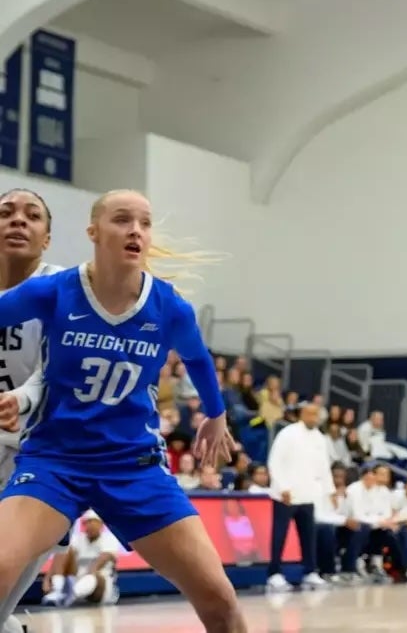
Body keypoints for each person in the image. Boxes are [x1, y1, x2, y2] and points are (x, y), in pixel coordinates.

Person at [0, 189, 243, 633]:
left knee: (220, 600)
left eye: (144, 223)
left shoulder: (169, 306)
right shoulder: (56, 291)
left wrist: (216, 412)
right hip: (55, 462)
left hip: (133, 466)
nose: (135, 230)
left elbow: (198, 359)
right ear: (93, 232)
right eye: (122, 220)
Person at [0, 189, 65, 633]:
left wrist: (19, 399)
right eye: (6, 213)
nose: (18, 220)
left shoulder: (63, 290)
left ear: (46, 238)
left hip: (36, 458)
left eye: (31, 215)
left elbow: (53, 376)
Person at [264, 401, 334, 591]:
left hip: (308, 494)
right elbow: (274, 461)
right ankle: (275, 573)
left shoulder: (320, 438)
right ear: (301, 414)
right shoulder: (288, 434)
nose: (313, 418)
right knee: (280, 535)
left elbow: (323, 467)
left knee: (308, 535)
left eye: (316, 415)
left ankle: (310, 571)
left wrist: (330, 490)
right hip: (286, 495)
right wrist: (282, 487)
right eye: (310, 414)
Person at [39, 512, 122, 608]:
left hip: (100, 587)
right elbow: (61, 557)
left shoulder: (109, 539)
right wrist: (47, 578)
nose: (89, 525)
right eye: (86, 522)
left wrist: (91, 572)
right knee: (64, 549)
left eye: (92, 522)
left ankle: (69, 594)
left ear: (100, 524)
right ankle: (58, 588)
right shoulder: (78, 539)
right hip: (75, 580)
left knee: (92, 578)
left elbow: (103, 558)